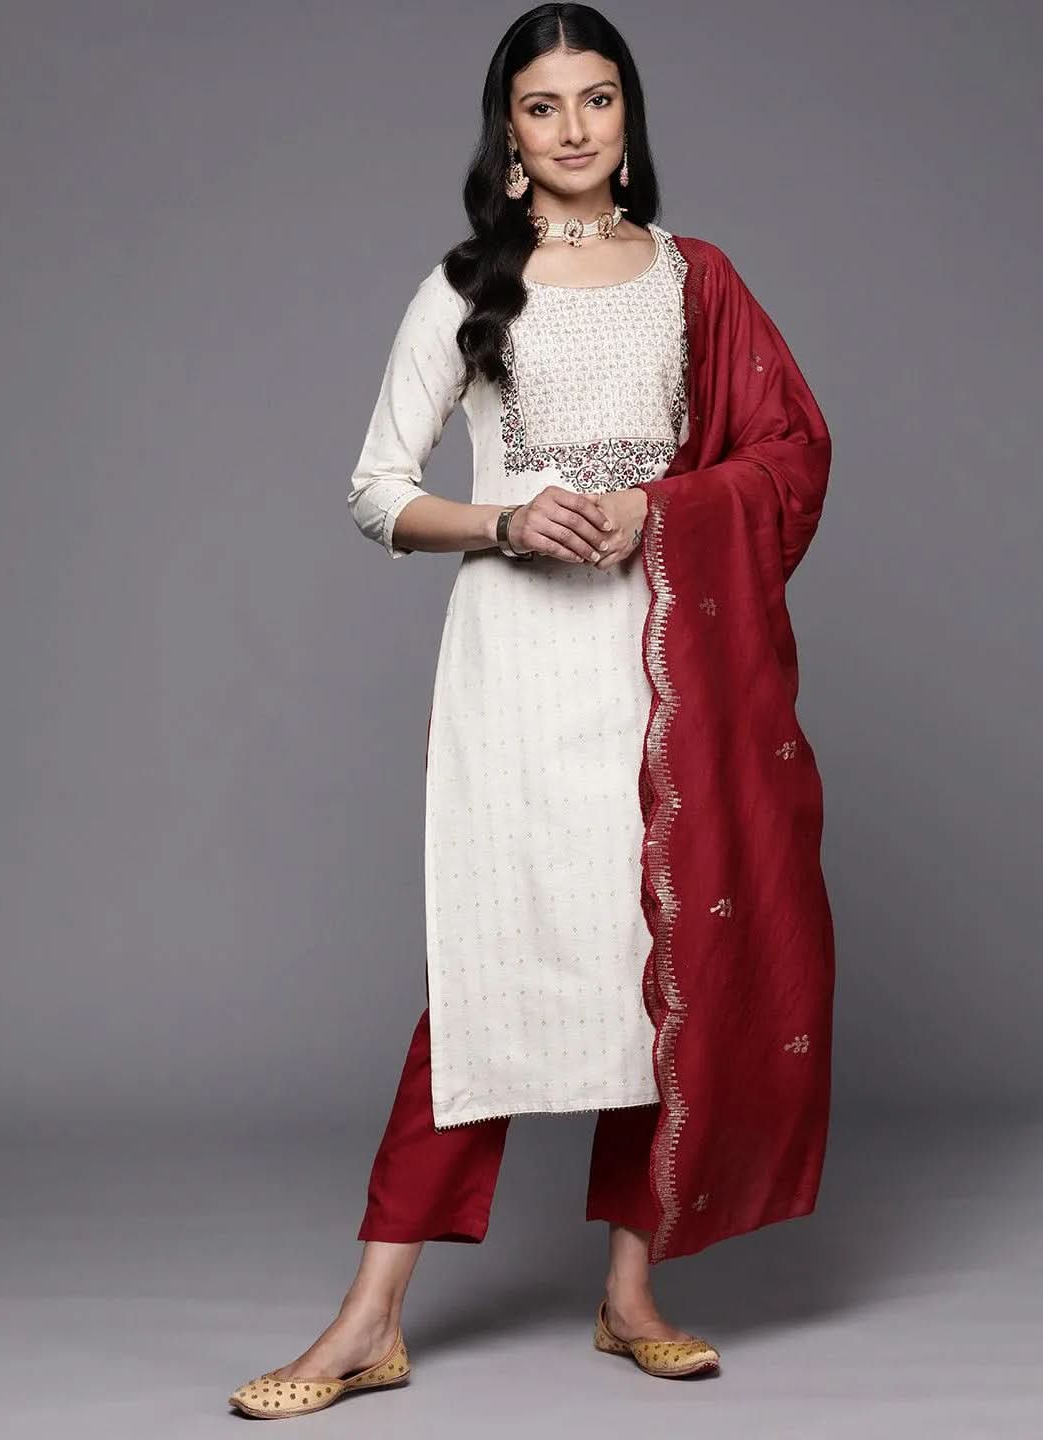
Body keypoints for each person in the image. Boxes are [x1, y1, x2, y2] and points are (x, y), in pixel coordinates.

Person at [228, 1, 836, 1418]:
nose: (574, 128)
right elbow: (376, 492)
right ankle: (369, 1320)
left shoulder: (697, 280)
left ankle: (630, 1294)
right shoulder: (465, 286)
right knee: (488, 979)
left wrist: (656, 510)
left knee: (667, 950)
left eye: (598, 98)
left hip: (667, 659)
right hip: (517, 668)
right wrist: (505, 522)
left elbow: (790, 450)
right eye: (544, 104)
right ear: (508, 130)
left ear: (630, 116)